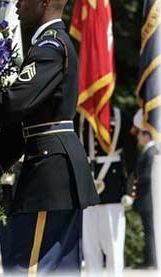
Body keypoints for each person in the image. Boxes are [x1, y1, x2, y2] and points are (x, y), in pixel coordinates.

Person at [0, 0, 100, 275]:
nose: (18, 6)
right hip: (53, 170)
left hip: (49, 174)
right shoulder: (48, 45)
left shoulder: (50, 47)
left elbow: (17, 103)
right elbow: (28, 123)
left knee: (28, 267)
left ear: (45, 0)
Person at [80, 107, 128, 276]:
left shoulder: (119, 115)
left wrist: (128, 189)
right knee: (90, 247)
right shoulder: (81, 114)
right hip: (87, 188)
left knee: (114, 245)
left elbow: (129, 154)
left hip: (113, 190)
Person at [130, 109, 157, 269]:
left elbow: (147, 177)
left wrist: (135, 183)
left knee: (150, 231)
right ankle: (150, 259)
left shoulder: (151, 152)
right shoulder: (149, 152)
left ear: (146, 136)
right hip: (147, 199)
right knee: (149, 230)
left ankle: (151, 261)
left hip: (148, 199)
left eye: (141, 134)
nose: (139, 137)